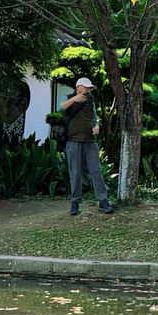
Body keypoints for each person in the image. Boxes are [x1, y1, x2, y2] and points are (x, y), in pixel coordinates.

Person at [60, 78, 113, 216]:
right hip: (73, 141)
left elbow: (94, 119)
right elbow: (60, 107)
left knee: (96, 172)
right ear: (79, 87)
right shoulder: (68, 97)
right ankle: (75, 203)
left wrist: (96, 126)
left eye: (89, 88)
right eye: (86, 87)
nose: (88, 90)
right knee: (75, 173)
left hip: (90, 141)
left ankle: (103, 201)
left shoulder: (90, 101)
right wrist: (75, 99)